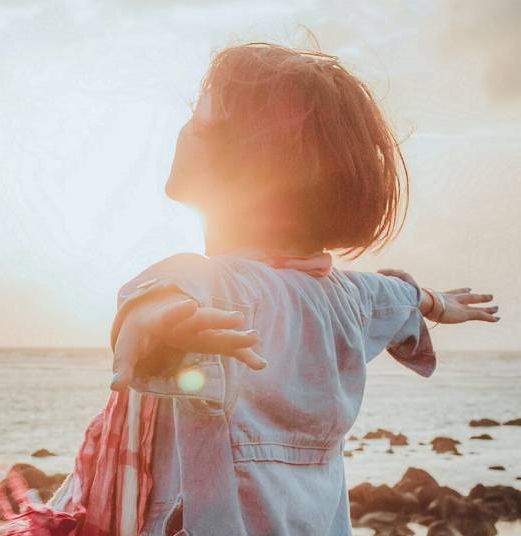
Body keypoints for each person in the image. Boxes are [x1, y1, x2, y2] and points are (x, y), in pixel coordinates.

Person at [105, 42, 499, 535]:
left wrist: (154, 318)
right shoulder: (348, 297)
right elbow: (396, 297)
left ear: (255, 163)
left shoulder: (221, 286)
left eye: (202, 122)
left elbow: (170, 289)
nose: (185, 128)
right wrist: (438, 304)